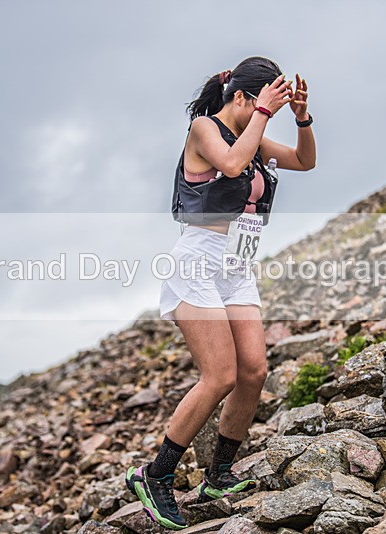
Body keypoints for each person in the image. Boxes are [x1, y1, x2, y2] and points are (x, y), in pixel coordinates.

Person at [125, 56, 316, 530]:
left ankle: (218, 473)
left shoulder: (255, 133)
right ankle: (156, 475)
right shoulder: (204, 130)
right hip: (197, 262)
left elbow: (305, 162)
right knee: (220, 376)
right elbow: (231, 164)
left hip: (236, 266)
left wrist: (301, 118)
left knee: (253, 370)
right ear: (240, 98)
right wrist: (266, 115)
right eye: (259, 101)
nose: (262, 111)